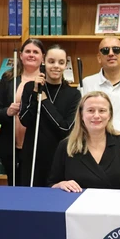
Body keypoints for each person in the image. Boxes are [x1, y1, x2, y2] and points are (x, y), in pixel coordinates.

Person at [19, 44, 81, 187]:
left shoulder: (74, 94)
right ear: (44, 62)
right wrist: (35, 92)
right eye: (51, 61)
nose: (56, 66)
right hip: (33, 154)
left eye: (61, 62)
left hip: (59, 155)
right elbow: (25, 120)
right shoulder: (30, 87)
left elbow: (65, 128)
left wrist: (45, 101)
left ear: (66, 65)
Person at [0, 38, 45, 186]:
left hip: (38, 148)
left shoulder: (47, 80)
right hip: (11, 147)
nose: (31, 55)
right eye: (28, 51)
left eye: (36, 52)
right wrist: (7, 112)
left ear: (43, 57)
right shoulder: (9, 78)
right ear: (20, 55)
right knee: (14, 187)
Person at [47, 91, 120, 191]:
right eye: (90, 110)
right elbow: (52, 184)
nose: (96, 115)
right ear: (81, 115)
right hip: (77, 205)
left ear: (109, 115)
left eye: (102, 111)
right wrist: (61, 184)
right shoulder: (67, 146)